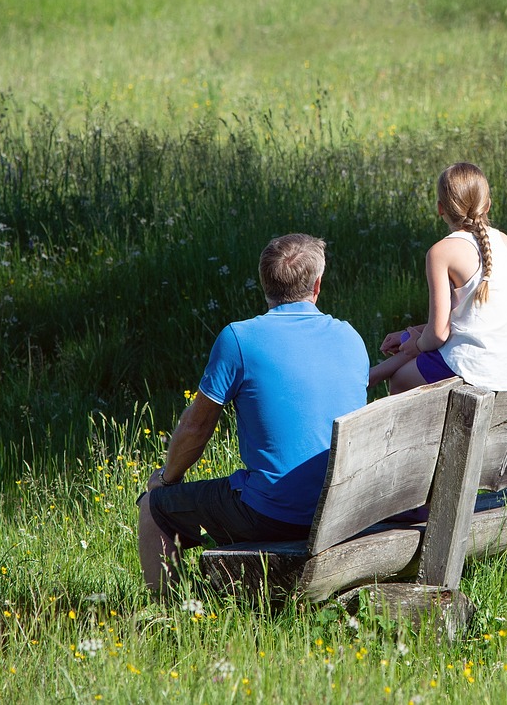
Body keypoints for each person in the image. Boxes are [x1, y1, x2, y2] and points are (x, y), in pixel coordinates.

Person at [137, 233, 368, 594]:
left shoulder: (239, 339)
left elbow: (197, 426)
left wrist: (166, 481)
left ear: (264, 282)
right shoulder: (351, 337)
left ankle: (173, 615)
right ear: (317, 285)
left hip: (273, 515)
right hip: (343, 510)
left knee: (154, 506)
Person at [369, 162, 507, 394]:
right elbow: (472, 321)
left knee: (400, 379)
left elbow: (438, 334)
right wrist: (411, 335)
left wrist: (416, 343)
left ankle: (371, 378)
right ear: (487, 205)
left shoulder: (441, 252)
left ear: (440, 208)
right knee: (418, 353)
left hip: (474, 365)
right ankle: (373, 374)